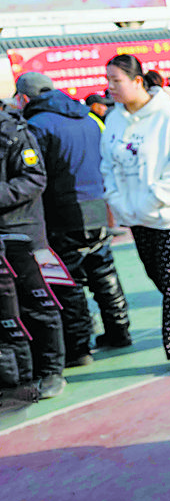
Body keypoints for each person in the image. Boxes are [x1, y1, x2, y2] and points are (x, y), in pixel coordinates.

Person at [15, 72, 132, 363]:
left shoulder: (36, 125)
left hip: (61, 210)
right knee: (104, 271)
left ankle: (79, 347)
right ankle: (119, 331)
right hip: (96, 204)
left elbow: (36, 176)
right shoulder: (87, 117)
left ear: (25, 98)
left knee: (69, 280)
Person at [101, 54, 170, 374]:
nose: (111, 87)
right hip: (136, 219)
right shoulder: (114, 120)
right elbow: (108, 165)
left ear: (137, 81)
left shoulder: (167, 117)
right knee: (161, 281)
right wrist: (119, 202)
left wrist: (151, 201)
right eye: (109, 80)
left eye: (116, 80)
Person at [0, 101, 66, 399]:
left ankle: (52, 371)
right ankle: (19, 375)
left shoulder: (15, 132)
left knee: (38, 304)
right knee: (7, 310)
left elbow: (34, 179)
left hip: (22, 232)